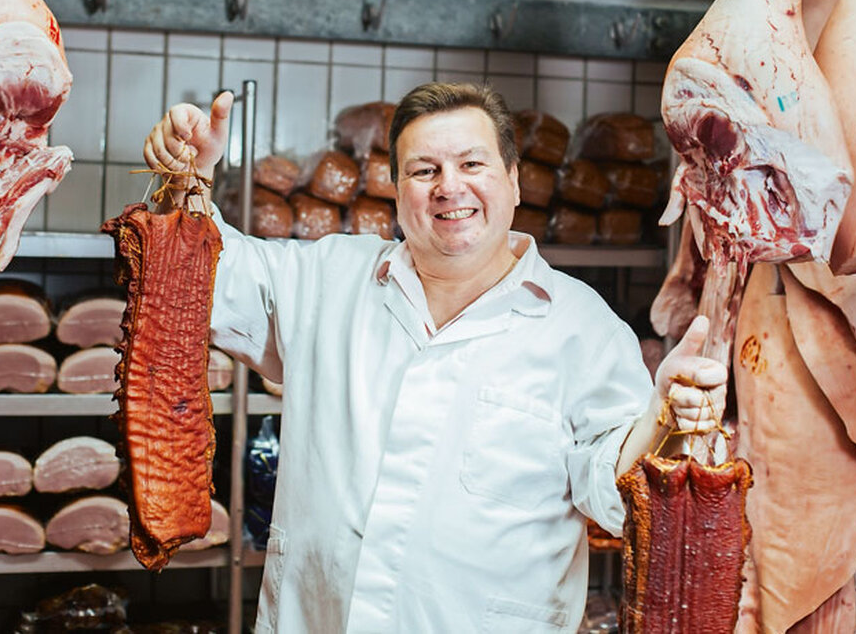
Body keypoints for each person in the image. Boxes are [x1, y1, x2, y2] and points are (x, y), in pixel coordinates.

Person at [143, 82, 727, 634]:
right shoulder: (327, 278)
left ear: (515, 182)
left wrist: (665, 418)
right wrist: (185, 182)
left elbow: (616, 495)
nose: (450, 187)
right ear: (397, 192)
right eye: (424, 171)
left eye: (473, 165)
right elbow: (200, 280)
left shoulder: (582, 327)